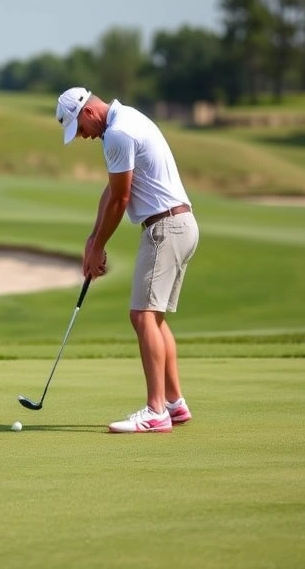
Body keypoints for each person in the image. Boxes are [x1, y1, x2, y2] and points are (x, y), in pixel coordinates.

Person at [55, 87, 199, 434]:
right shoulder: (126, 119)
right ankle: (175, 404)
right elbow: (112, 190)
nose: (83, 137)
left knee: (142, 315)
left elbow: (121, 199)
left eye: (80, 128)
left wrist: (99, 246)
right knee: (154, 319)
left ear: (88, 112)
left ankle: (155, 410)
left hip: (164, 226)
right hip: (180, 224)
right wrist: (93, 241)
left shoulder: (117, 133)